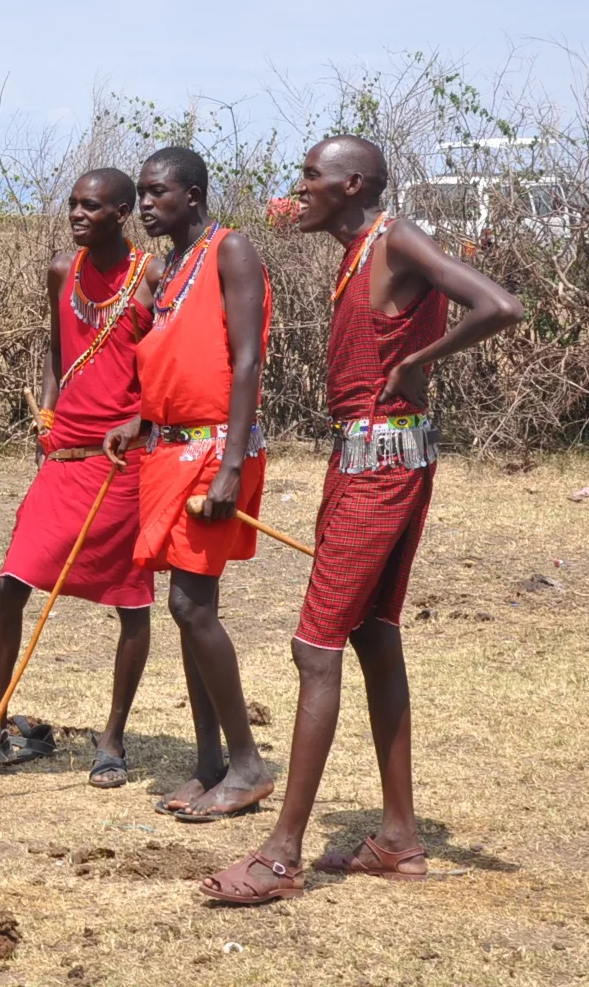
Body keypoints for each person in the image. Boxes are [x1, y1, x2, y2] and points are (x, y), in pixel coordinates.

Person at [201, 136, 521, 905]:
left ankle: (281, 856)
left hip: (378, 468)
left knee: (315, 650)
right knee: (373, 636)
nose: (300, 188)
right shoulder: (362, 251)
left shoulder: (395, 237)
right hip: (377, 461)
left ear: (352, 184)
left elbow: (500, 306)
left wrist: (420, 362)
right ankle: (400, 838)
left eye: (312, 176)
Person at [0, 170, 157, 783]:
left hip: (122, 461)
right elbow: (57, 352)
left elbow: (165, 365)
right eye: (73, 204)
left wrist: (141, 421)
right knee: (11, 583)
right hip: (63, 457)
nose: (78, 214)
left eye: (92, 206)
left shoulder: (153, 275)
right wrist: (48, 419)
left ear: (123, 211)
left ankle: (112, 739)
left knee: (130, 603)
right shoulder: (62, 270)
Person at [106, 147, 274, 824]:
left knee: (191, 605)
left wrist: (232, 463)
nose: (145, 205)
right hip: (166, 449)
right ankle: (209, 764)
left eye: (157, 193)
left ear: (195, 194)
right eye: (142, 194)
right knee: (185, 608)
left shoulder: (231, 251)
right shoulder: (167, 267)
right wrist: (140, 415)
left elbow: (244, 357)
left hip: (212, 450)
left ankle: (248, 764)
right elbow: (176, 355)